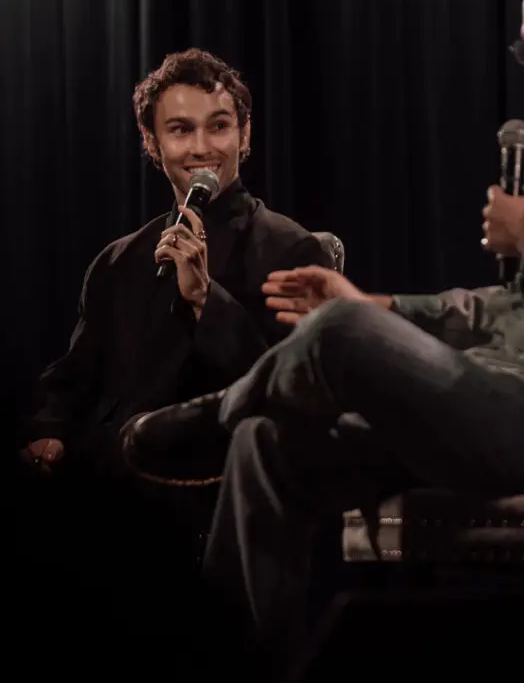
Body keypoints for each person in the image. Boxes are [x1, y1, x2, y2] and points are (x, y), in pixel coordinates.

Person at [123, 0, 524, 670]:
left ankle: (221, 410)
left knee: (338, 333)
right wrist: (383, 305)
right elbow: (523, 310)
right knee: (267, 442)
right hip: (510, 400)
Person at [19, 48, 333, 629]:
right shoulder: (117, 261)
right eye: (181, 130)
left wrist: (206, 300)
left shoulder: (291, 249)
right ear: (152, 142)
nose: (202, 148)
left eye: (219, 126)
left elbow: (290, 389)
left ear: (244, 135)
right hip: (103, 482)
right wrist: (48, 433)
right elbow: (73, 377)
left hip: (205, 477)